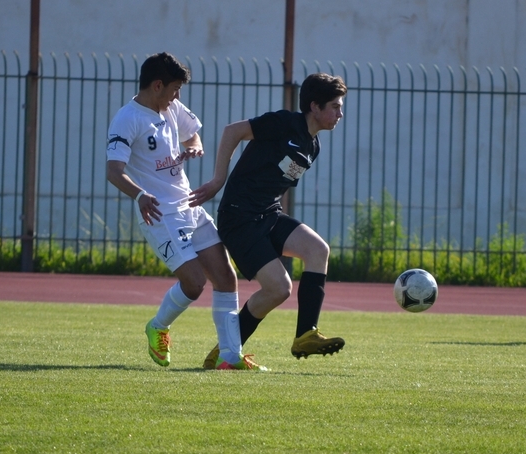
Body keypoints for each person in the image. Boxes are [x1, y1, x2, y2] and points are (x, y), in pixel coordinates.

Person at [105, 52, 262, 370]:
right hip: (160, 214)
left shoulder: (171, 108)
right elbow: (113, 171)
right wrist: (139, 195)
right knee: (193, 283)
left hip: (190, 206)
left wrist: (194, 146)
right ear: (157, 85)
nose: (177, 96)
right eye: (175, 89)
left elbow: (192, 134)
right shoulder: (127, 119)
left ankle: (230, 356)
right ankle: (158, 326)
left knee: (225, 277)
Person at [189, 72, 347, 364]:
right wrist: (218, 180)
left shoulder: (313, 146)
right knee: (279, 288)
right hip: (239, 218)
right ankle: (225, 352)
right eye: (335, 106)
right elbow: (232, 131)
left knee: (318, 250)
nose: (340, 113)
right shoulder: (284, 123)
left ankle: (305, 335)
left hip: (268, 214)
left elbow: (277, 180)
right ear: (315, 106)